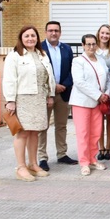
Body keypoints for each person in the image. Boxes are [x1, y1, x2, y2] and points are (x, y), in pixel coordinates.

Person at [3, 26, 56, 182]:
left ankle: (33, 164)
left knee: (35, 132)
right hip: (22, 98)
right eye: (27, 36)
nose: (30, 38)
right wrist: (10, 101)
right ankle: (21, 167)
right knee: (23, 132)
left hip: (39, 98)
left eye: (33, 35)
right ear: (21, 38)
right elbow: (9, 79)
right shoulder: (14, 56)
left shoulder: (42, 55)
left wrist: (50, 95)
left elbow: (49, 77)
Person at [38, 21, 77, 171]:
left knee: (61, 126)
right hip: (46, 94)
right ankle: (42, 157)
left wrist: (64, 86)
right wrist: (53, 86)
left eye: (56, 30)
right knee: (43, 126)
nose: (53, 33)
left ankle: (62, 154)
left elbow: (71, 70)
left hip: (63, 93)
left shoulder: (66, 49)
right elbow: (39, 72)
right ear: (46, 32)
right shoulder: (39, 49)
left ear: (60, 32)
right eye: (50, 30)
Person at [70, 34, 110, 176]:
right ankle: (84, 162)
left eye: (94, 44)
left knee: (96, 132)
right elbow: (79, 82)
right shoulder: (78, 61)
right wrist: (98, 95)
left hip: (98, 102)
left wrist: (107, 93)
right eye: (88, 44)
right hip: (82, 102)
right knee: (83, 133)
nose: (91, 47)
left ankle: (93, 159)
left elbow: (108, 79)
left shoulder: (101, 60)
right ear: (83, 45)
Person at [96, 24, 110, 162]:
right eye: (102, 33)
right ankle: (100, 147)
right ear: (98, 34)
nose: (104, 36)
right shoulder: (93, 50)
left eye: (107, 33)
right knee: (98, 120)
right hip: (97, 90)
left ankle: (109, 147)